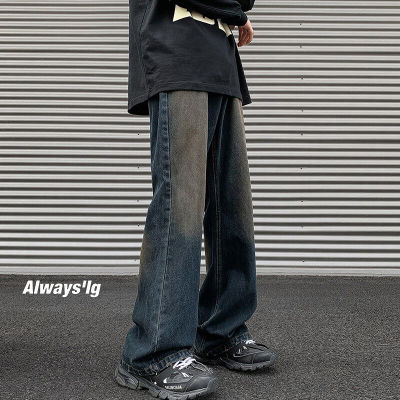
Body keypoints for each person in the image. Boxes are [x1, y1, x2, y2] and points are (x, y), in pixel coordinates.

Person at [114, 0, 277, 398]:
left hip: (221, 64)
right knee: (180, 208)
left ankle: (221, 329)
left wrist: (237, 10)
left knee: (233, 209)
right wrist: (236, 14)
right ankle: (152, 353)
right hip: (178, 56)